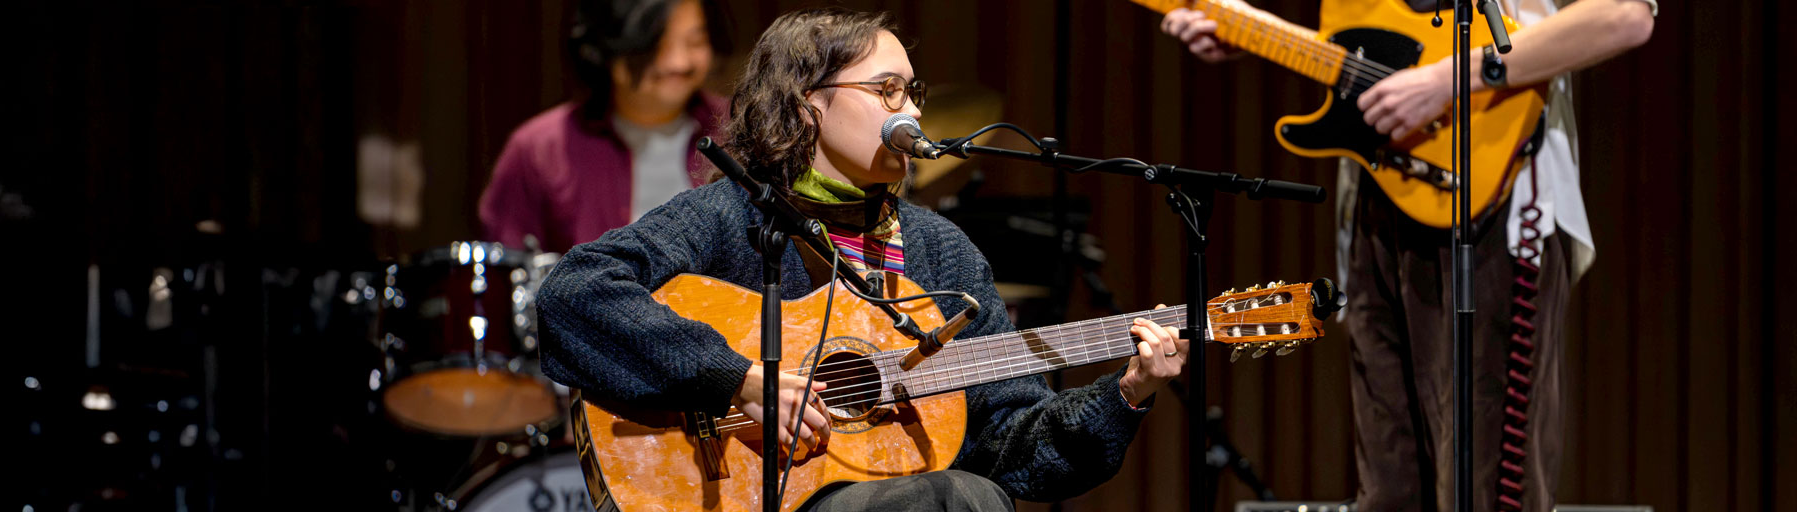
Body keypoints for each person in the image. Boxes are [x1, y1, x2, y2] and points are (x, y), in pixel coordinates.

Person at [538, 7, 1188, 511]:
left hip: (892, 499)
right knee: (958, 501)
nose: (913, 110)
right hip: (732, 489)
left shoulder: (938, 251)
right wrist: (734, 377)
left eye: (913, 91)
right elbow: (575, 292)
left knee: (973, 495)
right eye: (888, 89)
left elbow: (1011, 446)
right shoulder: (733, 215)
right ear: (807, 105)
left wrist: (1127, 392)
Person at [1160, 1, 1655, 510]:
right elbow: (1362, 46)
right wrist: (1249, 32)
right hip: (1378, 201)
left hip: (1499, 204)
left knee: (1483, 486)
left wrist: (1449, 78)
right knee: (1389, 488)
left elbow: (1625, 16)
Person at [478, 0, 732, 254]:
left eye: (695, 42)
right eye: (657, 44)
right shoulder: (537, 150)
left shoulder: (741, 127)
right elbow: (507, 277)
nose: (680, 62)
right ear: (605, 49)